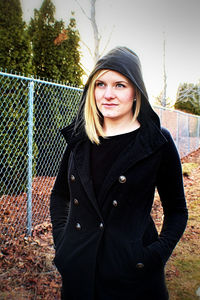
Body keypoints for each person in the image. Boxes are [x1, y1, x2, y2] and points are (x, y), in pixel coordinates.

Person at [50, 46, 188, 300]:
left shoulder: (156, 142)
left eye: (120, 85)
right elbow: (60, 196)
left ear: (136, 91)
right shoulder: (81, 138)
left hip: (133, 277)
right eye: (100, 84)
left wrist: (155, 255)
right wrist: (63, 242)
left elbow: (177, 210)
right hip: (79, 274)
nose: (108, 94)